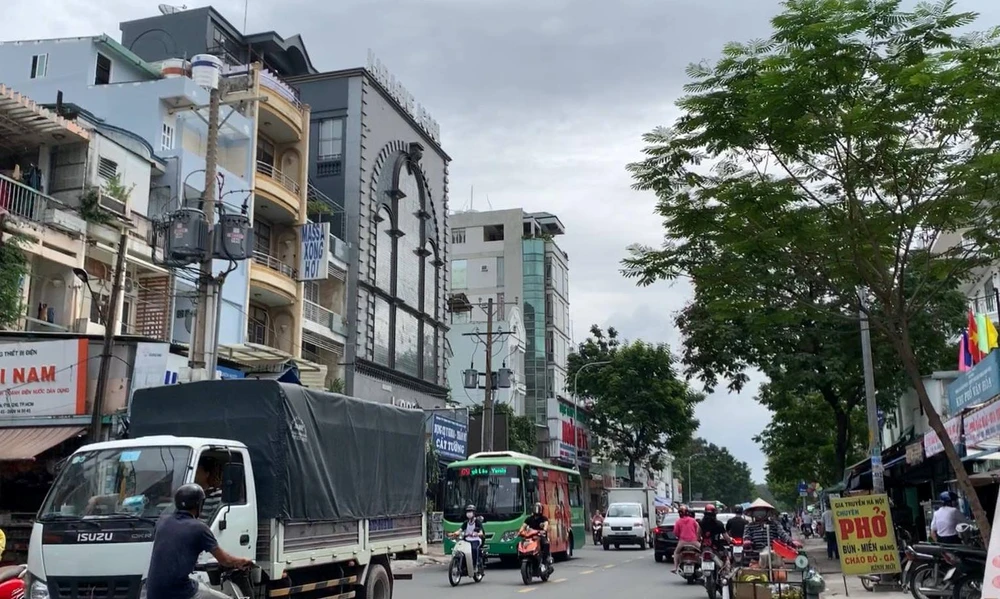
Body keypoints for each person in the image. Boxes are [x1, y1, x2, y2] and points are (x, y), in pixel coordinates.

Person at [146, 484, 253, 599]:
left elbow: (173, 548)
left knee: (201, 587)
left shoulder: (162, 522)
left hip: (153, 591)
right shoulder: (199, 528)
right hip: (180, 591)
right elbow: (226, 561)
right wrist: (243, 561)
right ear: (199, 504)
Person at [518, 502, 552, 573]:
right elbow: (523, 526)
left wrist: (544, 530)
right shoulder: (529, 519)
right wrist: (520, 532)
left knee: (546, 544)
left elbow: (546, 525)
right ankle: (521, 559)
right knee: (519, 544)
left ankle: (544, 563)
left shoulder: (544, 518)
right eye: (535, 508)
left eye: (538, 508)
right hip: (530, 537)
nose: (537, 510)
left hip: (540, 536)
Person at [449, 504, 485, 571]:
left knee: (474, 549)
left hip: (475, 540)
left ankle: (474, 565)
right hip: (467, 540)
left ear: (474, 513)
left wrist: (476, 534)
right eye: (468, 511)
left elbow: (481, 533)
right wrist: (454, 533)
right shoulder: (466, 522)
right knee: (461, 550)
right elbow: (460, 530)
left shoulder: (477, 522)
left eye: (470, 511)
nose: (469, 513)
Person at [671, 505, 701, 573]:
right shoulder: (693, 520)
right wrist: (697, 537)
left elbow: (676, 532)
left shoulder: (678, 521)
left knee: (676, 552)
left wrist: (679, 536)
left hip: (682, 542)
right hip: (694, 541)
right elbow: (698, 530)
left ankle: (675, 567)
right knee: (702, 551)